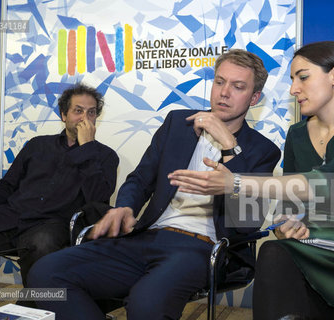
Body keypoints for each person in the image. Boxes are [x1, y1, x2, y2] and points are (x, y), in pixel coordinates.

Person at [169, 41, 334, 319]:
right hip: (321, 244)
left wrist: (235, 183)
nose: (294, 88)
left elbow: (323, 184)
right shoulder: (296, 134)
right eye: (293, 79)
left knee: (277, 255)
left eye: (303, 77)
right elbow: (291, 205)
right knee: (275, 249)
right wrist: (287, 224)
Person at [27, 49, 280, 319]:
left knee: (146, 305)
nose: (224, 92)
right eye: (219, 82)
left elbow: (246, 225)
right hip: (149, 235)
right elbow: (140, 178)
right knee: (45, 274)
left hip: (201, 247)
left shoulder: (262, 151)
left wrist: (230, 148)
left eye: (238, 86)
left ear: (254, 98)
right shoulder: (178, 123)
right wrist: (125, 207)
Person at [0, 83, 119, 287]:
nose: (85, 118)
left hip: (53, 225)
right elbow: (7, 186)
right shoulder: (37, 145)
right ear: (63, 115)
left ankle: (33, 312)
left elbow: (98, 199)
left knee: (42, 246)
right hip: (11, 216)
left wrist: (86, 149)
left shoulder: (105, 156)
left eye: (91, 112)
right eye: (78, 111)